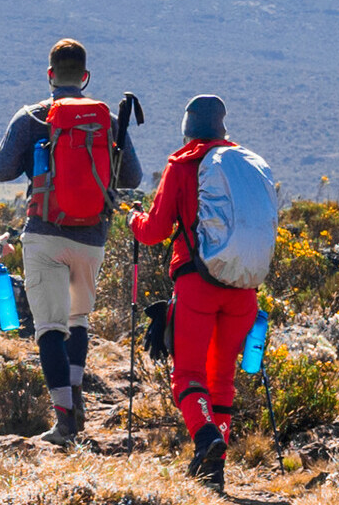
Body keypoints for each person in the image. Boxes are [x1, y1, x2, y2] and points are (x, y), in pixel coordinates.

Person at [0, 38, 143, 446]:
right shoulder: (106, 119)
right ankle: (75, 400)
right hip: (92, 236)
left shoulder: (32, 117)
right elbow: (132, 178)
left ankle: (64, 421)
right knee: (77, 323)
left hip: (44, 233)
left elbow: (0, 170)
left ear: (50, 75)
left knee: (49, 329)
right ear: (86, 77)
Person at [129, 95, 256, 489]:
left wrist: (134, 219)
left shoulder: (182, 165)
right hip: (243, 288)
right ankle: (213, 468)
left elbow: (154, 232)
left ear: (187, 127)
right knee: (222, 378)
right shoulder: (246, 165)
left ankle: (205, 438)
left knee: (187, 373)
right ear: (222, 126)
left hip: (196, 284)